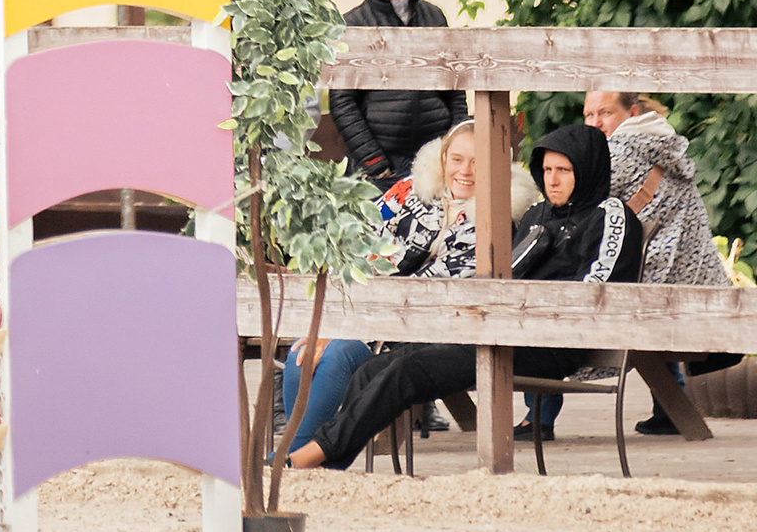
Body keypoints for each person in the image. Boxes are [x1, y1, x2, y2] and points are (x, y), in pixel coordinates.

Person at [290, 123, 638, 470]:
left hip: (551, 344)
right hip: (498, 333)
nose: (552, 180)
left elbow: (596, 291)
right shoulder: (538, 214)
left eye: (563, 170)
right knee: (377, 367)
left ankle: (309, 456)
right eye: (547, 170)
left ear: (587, 169)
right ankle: (328, 465)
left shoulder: (610, 215)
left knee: (407, 370)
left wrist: (524, 314)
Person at [274, 120, 539, 452]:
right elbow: (361, 240)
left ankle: (292, 459)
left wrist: (354, 325)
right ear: (442, 158)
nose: (466, 171)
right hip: (366, 311)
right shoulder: (408, 191)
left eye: (478, 161)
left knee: (336, 354)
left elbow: (441, 286)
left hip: (427, 329)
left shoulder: (502, 218)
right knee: (305, 350)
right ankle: (296, 457)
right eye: (457, 159)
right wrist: (339, 319)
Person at [586, 88, 737, 435]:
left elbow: (574, 199)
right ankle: (669, 410)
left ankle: (538, 417)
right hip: (692, 285)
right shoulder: (661, 142)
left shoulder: (619, 152)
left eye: (604, 113)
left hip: (660, 287)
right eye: (588, 115)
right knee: (651, 291)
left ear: (632, 111)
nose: (594, 123)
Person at [327, 0, 467, 194]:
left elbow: (455, 87)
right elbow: (342, 101)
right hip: (380, 167)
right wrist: (374, 162)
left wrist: (453, 146)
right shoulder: (352, 24)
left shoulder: (434, 17)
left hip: (434, 161)